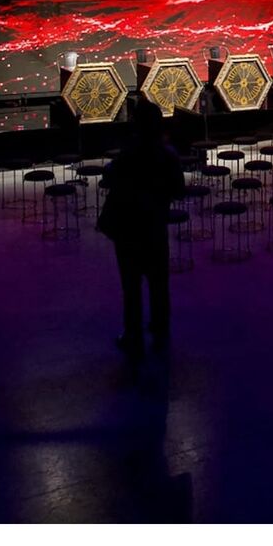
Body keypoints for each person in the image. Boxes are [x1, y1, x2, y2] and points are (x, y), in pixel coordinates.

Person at [98, 97, 185, 357]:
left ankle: (133, 334)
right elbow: (179, 191)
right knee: (159, 285)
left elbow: (109, 178)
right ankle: (160, 330)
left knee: (131, 287)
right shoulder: (167, 155)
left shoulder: (129, 154)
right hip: (155, 229)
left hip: (128, 230)